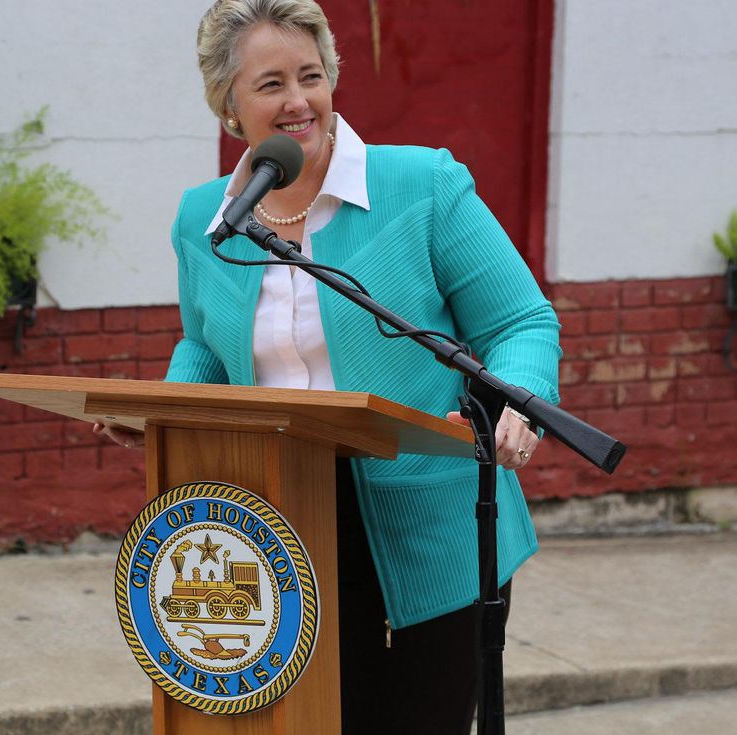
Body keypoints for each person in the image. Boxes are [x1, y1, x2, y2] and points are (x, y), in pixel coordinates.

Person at [95, 0, 561, 731]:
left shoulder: (423, 187)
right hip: (279, 531)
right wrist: (169, 414)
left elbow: (521, 321)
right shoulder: (203, 218)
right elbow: (206, 348)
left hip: (430, 529)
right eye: (271, 83)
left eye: (311, 76)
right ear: (229, 104)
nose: (298, 101)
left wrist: (522, 401)